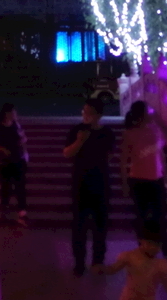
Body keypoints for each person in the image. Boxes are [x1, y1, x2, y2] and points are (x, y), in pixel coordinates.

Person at [122, 101, 167, 272]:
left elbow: (161, 155)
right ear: (141, 115)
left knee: (161, 220)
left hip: (156, 180)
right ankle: (143, 254)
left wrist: (166, 179)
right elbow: (124, 160)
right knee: (141, 218)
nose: (152, 112)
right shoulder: (130, 133)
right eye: (148, 110)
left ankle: (166, 255)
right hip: (138, 181)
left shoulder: (156, 130)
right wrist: (124, 182)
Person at [63, 97, 116, 277]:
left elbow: (110, 156)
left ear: (98, 115)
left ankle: (97, 261)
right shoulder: (76, 131)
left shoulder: (107, 133)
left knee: (100, 226)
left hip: (101, 184)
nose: (85, 116)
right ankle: (79, 263)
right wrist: (79, 141)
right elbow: (67, 154)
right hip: (80, 184)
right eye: (84, 112)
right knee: (79, 226)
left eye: (89, 113)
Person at [96, 222, 167, 300]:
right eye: (150, 243)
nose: (154, 248)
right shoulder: (129, 256)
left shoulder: (160, 264)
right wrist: (102, 268)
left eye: (157, 245)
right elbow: (112, 269)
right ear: (141, 241)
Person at [0, 102, 29, 225]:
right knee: (6, 186)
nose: (16, 114)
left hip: (18, 159)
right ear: (7, 113)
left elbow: (23, 139)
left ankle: (22, 211)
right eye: (14, 112)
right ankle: (5, 208)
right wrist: (2, 149)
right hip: (4, 162)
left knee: (20, 186)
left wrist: (25, 153)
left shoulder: (16, 125)